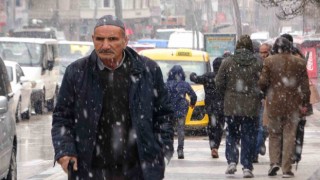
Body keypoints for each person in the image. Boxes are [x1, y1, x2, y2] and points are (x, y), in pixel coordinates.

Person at [51, 15, 174, 180]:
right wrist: (65, 151)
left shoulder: (148, 71)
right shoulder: (76, 72)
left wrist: (162, 153)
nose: (105, 45)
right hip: (90, 169)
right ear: (92, 39)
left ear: (125, 40)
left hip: (139, 170)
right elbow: (62, 118)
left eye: (112, 39)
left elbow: (164, 115)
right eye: (100, 39)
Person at [258, 37, 310, 178]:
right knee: (289, 136)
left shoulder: (269, 61)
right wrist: (305, 102)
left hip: (274, 103)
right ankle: (286, 169)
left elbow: (262, 82)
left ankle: (274, 162)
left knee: (274, 134)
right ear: (289, 47)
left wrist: (266, 90)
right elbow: (305, 86)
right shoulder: (299, 62)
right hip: (293, 105)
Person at [215, 35, 263, 178]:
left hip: (231, 105)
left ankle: (232, 161)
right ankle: (247, 166)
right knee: (249, 135)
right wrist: (257, 94)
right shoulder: (257, 63)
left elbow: (219, 83)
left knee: (232, 134)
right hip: (251, 106)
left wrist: (227, 94)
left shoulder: (227, 62)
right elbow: (263, 83)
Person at [190, 57, 224, 158]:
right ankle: (216, 147)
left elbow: (194, 79)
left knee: (211, 127)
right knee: (220, 127)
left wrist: (192, 74)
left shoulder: (208, 76)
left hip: (210, 106)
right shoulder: (225, 77)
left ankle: (212, 146)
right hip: (222, 106)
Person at [166, 65, 197, 159]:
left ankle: (169, 148)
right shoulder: (185, 84)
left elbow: (161, 96)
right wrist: (192, 103)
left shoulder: (166, 84)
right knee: (180, 129)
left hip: (169, 109)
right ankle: (180, 150)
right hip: (181, 109)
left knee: (169, 129)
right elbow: (193, 96)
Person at [253, 43, 272, 163]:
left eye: (265, 52)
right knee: (260, 127)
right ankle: (256, 150)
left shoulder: (272, 63)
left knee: (264, 128)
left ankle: (260, 144)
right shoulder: (256, 63)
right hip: (257, 99)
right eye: (261, 52)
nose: (263, 55)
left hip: (269, 99)